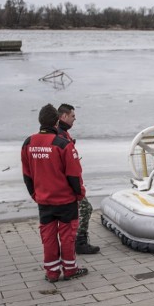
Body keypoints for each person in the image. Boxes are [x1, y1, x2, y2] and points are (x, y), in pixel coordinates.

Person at [21, 104, 88, 282]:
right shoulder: (63, 144)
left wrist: (35, 195)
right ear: (57, 120)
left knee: (48, 236)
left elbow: (27, 174)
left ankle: (51, 272)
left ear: (40, 121)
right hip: (65, 200)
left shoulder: (28, 143)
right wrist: (79, 194)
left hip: (44, 200)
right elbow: (74, 174)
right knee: (67, 236)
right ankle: (70, 269)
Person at [56, 104, 99, 255]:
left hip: (65, 182)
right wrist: (77, 189)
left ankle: (73, 242)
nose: (75, 119)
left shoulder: (63, 134)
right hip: (68, 183)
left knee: (76, 212)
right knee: (85, 208)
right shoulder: (60, 136)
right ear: (64, 116)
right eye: (73, 116)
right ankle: (79, 242)